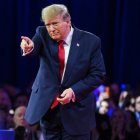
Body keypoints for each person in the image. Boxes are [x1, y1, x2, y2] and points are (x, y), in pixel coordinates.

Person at [20, 4, 106, 140]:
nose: (51, 29)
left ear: (67, 21)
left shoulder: (90, 42)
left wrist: (74, 91)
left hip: (77, 112)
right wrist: (28, 47)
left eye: (55, 23)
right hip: (49, 110)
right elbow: (33, 47)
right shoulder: (42, 34)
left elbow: (98, 74)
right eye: (48, 25)